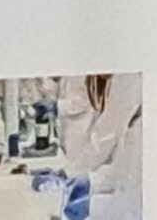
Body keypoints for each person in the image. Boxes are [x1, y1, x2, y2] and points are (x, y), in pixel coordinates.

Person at [33, 74, 144, 220]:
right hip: (110, 184)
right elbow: (118, 167)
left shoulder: (128, 80)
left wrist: (76, 178)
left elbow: (106, 136)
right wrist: (87, 180)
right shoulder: (117, 83)